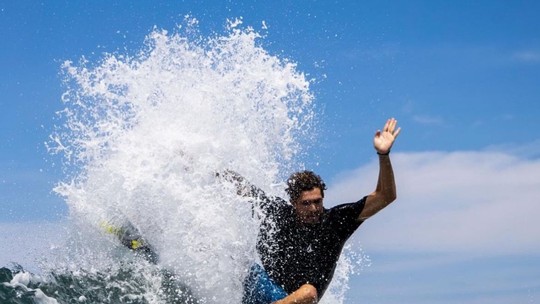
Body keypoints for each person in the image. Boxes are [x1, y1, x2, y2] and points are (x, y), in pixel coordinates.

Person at [220, 118, 401, 304]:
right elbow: (243, 188)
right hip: (267, 291)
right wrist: (205, 167)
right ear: (294, 203)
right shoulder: (279, 213)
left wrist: (383, 154)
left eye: (318, 201)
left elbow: (385, 196)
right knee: (238, 264)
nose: (314, 208)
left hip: (300, 301)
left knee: (307, 293)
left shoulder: (336, 221)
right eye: (306, 203)